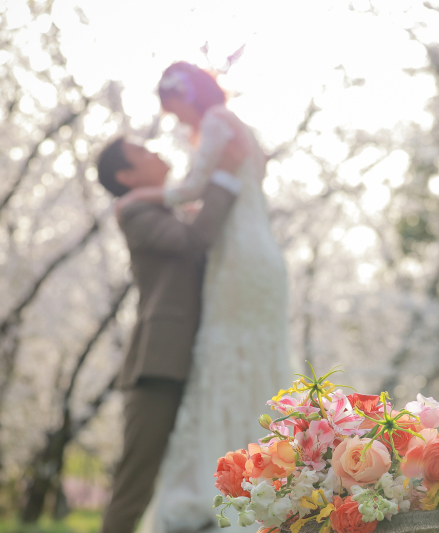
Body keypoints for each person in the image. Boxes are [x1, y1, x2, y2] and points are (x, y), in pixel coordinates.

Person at [122, 62, 293, 533]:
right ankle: (267, 476)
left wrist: (142, 197)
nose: (178, 122)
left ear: (187, 96)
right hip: (259, 253)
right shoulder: (237, 126)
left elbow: (194, 187)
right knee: (256, 358)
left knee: (223, 356)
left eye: (175, 110)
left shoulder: (217, 121)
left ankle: (228, 479)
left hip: (237, 257)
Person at [95, 137, 245, 533]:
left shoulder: (163, 209)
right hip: (159, 362)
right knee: (136, 479)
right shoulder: (135, 212)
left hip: (198, 356)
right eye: (141, 153)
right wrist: (224, 179)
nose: (154, 151)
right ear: (126, 176)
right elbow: (191, 241)